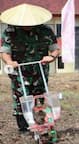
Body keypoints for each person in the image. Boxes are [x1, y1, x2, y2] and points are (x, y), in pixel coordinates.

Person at [0, 3, 60, 133]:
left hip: (39, 71)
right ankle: (23, 128)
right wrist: (9, 61)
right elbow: (4, 52)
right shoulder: (10, 32)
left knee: (40, 96)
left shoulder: (46, 31)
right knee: (21, 97)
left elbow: (55, 49)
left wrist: (52, 57)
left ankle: (42, 123)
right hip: (19, 71)